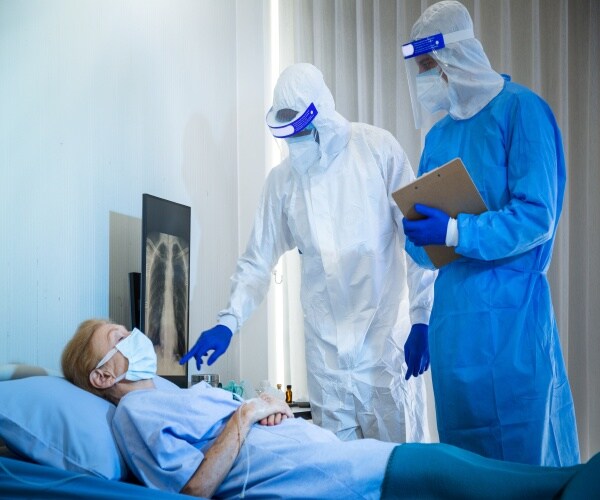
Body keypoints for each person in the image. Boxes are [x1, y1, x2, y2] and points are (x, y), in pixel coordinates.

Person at [180, 62, 436, 443]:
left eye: (301, 130)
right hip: (327, 361)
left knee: (400, 472)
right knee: (339, 475)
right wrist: (228, 321)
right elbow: (257, 260)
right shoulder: (283, 184)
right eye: (288, 133)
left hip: (385, 349)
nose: (295, 142)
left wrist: (421, 317)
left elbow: (419, 238)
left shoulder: (377, 151)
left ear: (323, 117)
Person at [61, 320, 597, 499]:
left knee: (526, 482)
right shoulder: (132, 416)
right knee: (481, 476)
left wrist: (260, 410)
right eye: (118, 336)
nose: (134, 337)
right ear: (103, 375)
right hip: (343, 478)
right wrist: (246, 416)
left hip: (346, 461)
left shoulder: (169, 396)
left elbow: (230, 429)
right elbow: (195, 489)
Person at [400, 0, 579, 466]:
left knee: (524, 467)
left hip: (512, 328)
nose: (426, 78)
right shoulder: (438, 138)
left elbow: (537, 217)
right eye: (420, 69)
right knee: (467, 473)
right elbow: (428, 251)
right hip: (454, 334)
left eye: (429, 66)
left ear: (456, 58)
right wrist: (418, 236)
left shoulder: (521, 111)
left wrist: (456, 231)